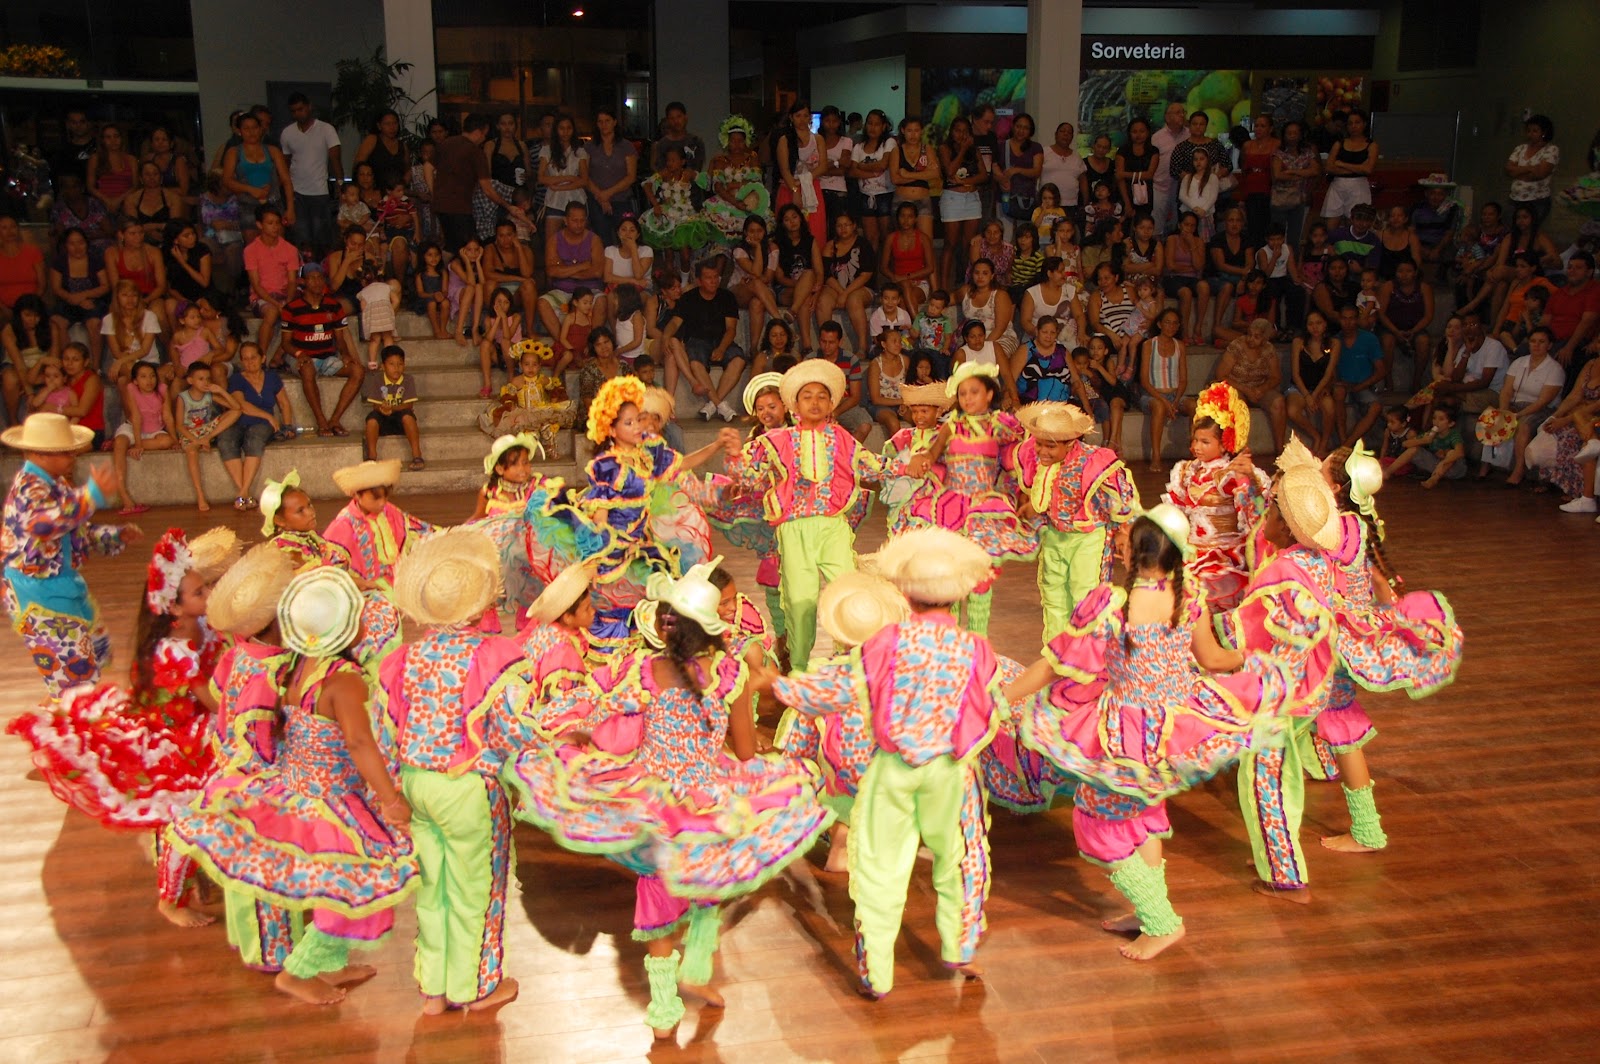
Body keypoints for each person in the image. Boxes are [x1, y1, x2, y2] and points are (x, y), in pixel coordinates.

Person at [510, 557, 830, 1039]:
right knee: (707, 880)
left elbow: (599, 710)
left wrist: (577, 734)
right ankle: (693, 972)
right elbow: (746, 753)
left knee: (660, 898)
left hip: (654, 800)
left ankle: (666, 1006)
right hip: (707, 798)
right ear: (713, 631)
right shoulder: (730, 676)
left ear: (666, 627)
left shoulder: (647, 670)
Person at [1007, 509, 1291, 959]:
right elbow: (1214, 660)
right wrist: (1253, 659)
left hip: (1127, 734)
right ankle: (1147, 912)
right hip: (1172, 727)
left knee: (1096, 825)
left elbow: (1054, 666)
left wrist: (1000, 695)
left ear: (1131, 553)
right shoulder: (1189, 596)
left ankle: (1161, 921)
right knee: (1143, 818)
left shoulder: (1112, 605)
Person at [170, 566, 420, 1006]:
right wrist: (390, 798)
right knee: (357, 889)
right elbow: (360, 743)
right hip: (332, 800)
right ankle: (298, 972)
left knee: (333, 888)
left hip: (299, 789)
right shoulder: (344, 681)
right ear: (347, 628)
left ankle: (329, 964)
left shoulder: (301, 664)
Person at [769, 527, 1000, 995]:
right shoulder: (975, 649)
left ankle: (877, 971)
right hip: (950, 772)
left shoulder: (886, 643)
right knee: (959, 858)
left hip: (893, 770)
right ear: (957, 598)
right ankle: (961, 946)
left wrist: (777, 685)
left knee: (879, 868)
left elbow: (835, 693)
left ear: (905, 595)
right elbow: (988, 708)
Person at [6, 527, 238, 926]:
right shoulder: (175, 650)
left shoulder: (203, 625)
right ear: (175, 608)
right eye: (199, 592)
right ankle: (171, 900)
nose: (208, 595)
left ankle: (196, 870)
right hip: (178, 736)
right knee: (186, 811)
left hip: (197, 722)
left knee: (201, 804)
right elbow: (213, 701)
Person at [376, 530, 536, 1015]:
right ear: (478, 605)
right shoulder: (489, 656)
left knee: (433, 889)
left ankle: (433, 988)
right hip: (467, 787)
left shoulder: (405, 657)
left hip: (415, 783)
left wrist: (391, 790)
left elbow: (386, 729)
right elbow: (511, 730)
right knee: (476, 888)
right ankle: (477, 987)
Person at [718, 360, 884, 670]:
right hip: (794, 531)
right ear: (795, 404)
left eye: (822, 396)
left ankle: (848, 662)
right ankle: (798, 667)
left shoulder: (842, 439)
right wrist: (734, 454)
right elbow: (748, 477)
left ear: (831, 404)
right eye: (807, 396)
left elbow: (875, 466)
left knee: (847, 593)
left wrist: (912, 465)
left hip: (833, 527)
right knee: (800, 602)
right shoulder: (775, 442)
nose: (815, 402)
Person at [1, 411, 134, 695]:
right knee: (73, 677)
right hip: (36, 591)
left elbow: (73, 530)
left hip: (59, 584)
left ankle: (84, 710)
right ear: (41, 454)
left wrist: (113, 535)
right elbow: (43, 524)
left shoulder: (56, 483)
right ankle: (75, 714)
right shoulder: (28, 488)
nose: (73, 457)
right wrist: (89, 496)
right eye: (66, 452)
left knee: (91, 655)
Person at [901, 362, 1036, 633]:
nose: (967, 398)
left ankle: (978, 640)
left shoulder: (999, 425)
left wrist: (1027, 492)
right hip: (950, 506)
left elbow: (1018, 456)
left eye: (974, 392)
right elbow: (933, 454)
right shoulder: (952, 425)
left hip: (984, 509)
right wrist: (919, 458)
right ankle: (951, 636)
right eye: (962, 393)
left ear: (989, 394)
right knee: (950, 575)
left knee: (980, 577)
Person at [1013, 402, 1139, 639]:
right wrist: (1033, 508)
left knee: (1085, 597)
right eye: (1039, 443)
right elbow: (1046, 494)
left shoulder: (1093, 462)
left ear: (1070, 443)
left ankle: (1086, 653)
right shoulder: (1040, 460)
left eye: (1050, 446)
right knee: (1054, 596)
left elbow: (1122, 502)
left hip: (1087, 539)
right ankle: (1056, 651)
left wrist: (1125, 531)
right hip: (1055, 535)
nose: (1042, 451)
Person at [1161, 384, 1271, 610]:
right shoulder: (1185, 471)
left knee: (1204, 593)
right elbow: (1175, 513)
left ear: (1224, 444)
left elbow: (1257, 515)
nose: (1197, 447)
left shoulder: (1231, 474)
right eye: (1195, 440)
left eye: (1205, 442)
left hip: (1223, 555)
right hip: (1191, 550)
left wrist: (1248, 481)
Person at [281, 262, 365, 436]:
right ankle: (321, 421)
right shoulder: (291, 308)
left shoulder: (334, 306)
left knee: (358, 370)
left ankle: (334, 420)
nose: (317, 282)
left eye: (320, 278)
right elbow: (286, 343)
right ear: (303, 282)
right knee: (307, 368)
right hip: (300, 356)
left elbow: (340, 339)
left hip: (326, 357)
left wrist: (345, 354)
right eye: (312, 278)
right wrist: (299, 354)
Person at [1476, 326, 1564, 483]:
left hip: (1541, 409)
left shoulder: (1554, 369)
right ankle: (1486, 465)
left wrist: (1517, 415)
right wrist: (1504, 410)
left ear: (1549, 345)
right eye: (1533, 341)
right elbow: (1506, 390)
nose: (1536, 345)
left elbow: (1543, 401)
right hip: (1516, 404)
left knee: (1524, 425)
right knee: (1493, 418)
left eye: (1541, 342)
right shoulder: (1519, 362)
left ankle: (1519, 470)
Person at [663, 259, 745, 421]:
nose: (713, 281)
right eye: (708, 278)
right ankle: (720, 405)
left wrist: (722, 348)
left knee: (739, 359)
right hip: (697, 340)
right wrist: (666, 336)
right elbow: (674, 323)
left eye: (715, 277)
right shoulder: (688, 298)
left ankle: (713, 405)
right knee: (695, 362)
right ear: (699, 281)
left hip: (722, 340)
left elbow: (731, 329)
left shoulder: (727, 297)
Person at [436, 114, 527, 252]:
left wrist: (434, 192)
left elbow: (428, 167)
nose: (484, 138)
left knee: (451, 246)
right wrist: (508, 206)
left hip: (441, 204)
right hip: (461, 207)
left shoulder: (446, 143)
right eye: (485, 134)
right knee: (468, 247)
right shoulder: (475, 152)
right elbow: (487, 189)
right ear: (479, 132)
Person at [278, 93, 343, 254]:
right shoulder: (287, 133)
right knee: (301, 235)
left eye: (300, 109)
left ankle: (320, 266)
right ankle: (304, 266)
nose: (298, 114)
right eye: (293, 111)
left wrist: (340, 183)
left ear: (309, 107)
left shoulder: (326, 129)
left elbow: (335, 158)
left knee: (321, 236)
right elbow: (285, 162)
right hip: (296, 191)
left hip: (319, 190)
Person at [1531, 359, 1600, 510]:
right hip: (1580, 415)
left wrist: (1565, 420)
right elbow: (1574, 396)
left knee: (1571, 436)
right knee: (1555, 431)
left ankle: (1580, 491)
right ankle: (1557, 483)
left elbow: (1596, 406)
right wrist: (1555, 417)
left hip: (1593, 416)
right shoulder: (1591, 364)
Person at [222, 114, 294, 240]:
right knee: (252, 246)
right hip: (248, 205)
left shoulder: (273, 151)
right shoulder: (234, 152)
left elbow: (286, 180)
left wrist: (290, 208)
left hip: (273, 203)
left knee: (278, 245)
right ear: (239, 131)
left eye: (255, 128)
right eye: (246, 128)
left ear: (261, 129)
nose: (251, 132)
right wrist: (250, 189)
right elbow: (227, 180)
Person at [241, 206, 298, 362]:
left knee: (301, 314)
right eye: (270, 223)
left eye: (277, 223)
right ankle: (262, 357)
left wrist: (288, 302)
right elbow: (256, 284)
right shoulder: (251, 250)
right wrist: (277, 304)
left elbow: (292, 281)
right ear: (260, 225)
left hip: (285, 295)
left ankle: (278, 357)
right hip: (262, 297)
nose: (275, 227)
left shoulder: (290, 249)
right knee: (272, 312)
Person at [1140, 308, 1193, 472]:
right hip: (1152, 395)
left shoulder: (1180, 346)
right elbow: (1144, 380)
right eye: (1167, 322)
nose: (1171, 326)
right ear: (1159, 324)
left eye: (1175, 323)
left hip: (1174, 395)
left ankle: (1195, 454)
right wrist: (1164, 400)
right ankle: (1156, 456)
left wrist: (1175, 401)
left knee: (1195, 406)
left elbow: (1183, 379)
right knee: (1159, 406)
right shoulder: (1149, 345)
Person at [939, 116, 989, 288]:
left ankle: (967, 283)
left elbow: (984, 175)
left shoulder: (974, 150)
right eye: (957, 131)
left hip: (972, 198)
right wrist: (962, 150)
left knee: (969, 244)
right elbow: (950, 171)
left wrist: (965, 182)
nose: (961, 135)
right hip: (952, 198)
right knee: (950, 244)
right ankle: (943, 287)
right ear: (951, 132)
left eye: (965, 131)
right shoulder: (944, 148)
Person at [818, 212, 878, 353]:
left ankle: (862, 346)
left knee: (853, 300)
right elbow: (827, 275)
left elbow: (866, 275)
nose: (843, 228)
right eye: (839, 225)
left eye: (847, 225)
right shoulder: (830, 246)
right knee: (823, 301)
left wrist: (845, 294)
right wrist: (841, 292)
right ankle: (827, 345)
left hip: (861, 287)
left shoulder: (863, 244)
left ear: (854, 226)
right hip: (836, 287)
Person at [1286, 308, 1341, 454]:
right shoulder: (1299, 342)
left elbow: (1329, 373)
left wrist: (1315, 394)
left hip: (1320, 387)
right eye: (1311, 324)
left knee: (1329, 407)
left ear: (1325, 324)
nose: (1315, 327)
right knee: (1292, 411)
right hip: (1299, 387)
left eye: (1318, 323)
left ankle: (1324, 443)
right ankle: (1316, 435)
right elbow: (1295, 374)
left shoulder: (1334, 343)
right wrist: (1307, 396)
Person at [1332, 304, 1388, 449]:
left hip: (1364, 385)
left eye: (1351, 319)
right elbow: (1331, 368)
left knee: (1376, 406)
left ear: (1357, 319)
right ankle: (1343, 439)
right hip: (1343, 385)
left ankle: (1347, 444)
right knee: (1338, 392)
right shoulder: (1335, 340)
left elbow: (1381, 371)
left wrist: (1361, 386)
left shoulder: (1369, 339)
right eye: (1344, 319)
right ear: (1339, 320)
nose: (1348, 323)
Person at [361, 345, 423, 469]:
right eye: (392, 364)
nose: (396, 368)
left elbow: (409, 405)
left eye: (400, 364)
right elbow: (375, 405)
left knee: (409, 417)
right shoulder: (378, 380)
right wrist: (382, 409)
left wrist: (391, 409)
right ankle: (371, 456)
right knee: (371, 420)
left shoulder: (408, 380)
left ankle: (417, 455)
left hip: (401, 418)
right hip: (383, 417)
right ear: (383, 366)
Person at [1378, 260, 1436, 392]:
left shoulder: (1424, 288)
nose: (1404, 275)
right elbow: (1381, 314)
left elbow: (1428, 315)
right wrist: (1396, 331)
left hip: (1416, 328)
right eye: (1400, 271)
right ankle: (1388, 380)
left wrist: (1414, 331)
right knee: (1387, 341)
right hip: (1390, 328)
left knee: (1423, 341)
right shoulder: (1388, 287)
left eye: (1408, 271)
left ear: (1415, 272)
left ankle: (1417, 381)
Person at [1386, 401, 1466, 487]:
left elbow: (1460, 452)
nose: (1436, 422)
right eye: (1434, 418)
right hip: (1435, 466)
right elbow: (1405, 444)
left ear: (1451, 423)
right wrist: (1424, 440)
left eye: (1441, 419)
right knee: (1414, 449)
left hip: (1454, 469)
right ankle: (1387, 472)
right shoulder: (1430, 433)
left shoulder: (1453, 434)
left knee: (1451, 453)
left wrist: (1443, 462)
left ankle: (1434, 479)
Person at [850, 109, 898, 252]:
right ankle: (872, 265)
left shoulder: (888, 142)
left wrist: (862, 166)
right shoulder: (859, 146)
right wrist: (872, 173)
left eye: (877, 124)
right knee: (870, 237)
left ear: (884, 126)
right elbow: (852, 171)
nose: (872, 127)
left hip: (885, 194)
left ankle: (887, 263)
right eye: (870, 123)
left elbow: (883, 164)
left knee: (886, 235)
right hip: (865, 194)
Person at [889, 116, 942, 245]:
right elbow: (895, 178)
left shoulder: (927, 149)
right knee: (901, 242)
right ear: (903, 131)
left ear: (922, 131)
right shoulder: (897, 151)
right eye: (909, 131)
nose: (913, 135)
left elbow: (935, 173)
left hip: (922, 199)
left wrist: (907, 174)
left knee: (927, 241)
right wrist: (923, 174)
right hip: (902, 199)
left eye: (916, 130)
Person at [1544, 251, 1600, 369]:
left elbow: (1587, 322)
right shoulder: (1558, 293)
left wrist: (1569, 347)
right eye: (1569, 267)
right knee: (1525, 350)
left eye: (1578, 268)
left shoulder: (1595, 290)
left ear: (1589, 272)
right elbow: (1545, 321)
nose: (1572, 271)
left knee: (1556, 358)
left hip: (1575, 342)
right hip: (1551, 340)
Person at [1320, 111, 1377, 225]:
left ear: (1364, 124)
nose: (1353, 126)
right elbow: (1329, 167)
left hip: (1359, 186)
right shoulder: (1339, 143)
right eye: (1350, 123)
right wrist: (1358, 168)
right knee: (1331, 224)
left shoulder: (1372, 145)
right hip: (1338, 184)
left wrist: (1342, 164)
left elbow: (1368, 169)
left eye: (1357, 122)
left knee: (1356, 223)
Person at [1270, 120, 1319, 247]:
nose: (1292, 136)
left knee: (1295, 236)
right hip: (1281, 198)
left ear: (1300, 135)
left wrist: (1292, 171)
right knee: (1278, 234)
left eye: (1295, 133)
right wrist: (1303, 174)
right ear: (1284, 135)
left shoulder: (1307, 152)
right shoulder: (1278, 153)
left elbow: (1315, 171)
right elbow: (1277, 175)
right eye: (1289, 133)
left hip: (1299, 198)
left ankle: (1293, 258)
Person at [1505, 114, 1560, 225]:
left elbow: (1540, 173)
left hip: (1537, 200)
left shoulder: (1551, 149)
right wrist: (1530, 168)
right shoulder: (1520, 148)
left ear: (1544, 132)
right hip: (1515, 198)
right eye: (1528, 131)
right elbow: (1509, 169)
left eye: (1535, 131)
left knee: (1531, 230)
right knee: (1513, 229)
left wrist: (1518, 171)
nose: (1530, 134)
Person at [1150, 102, 1190, 236]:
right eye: (1178, 113)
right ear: (1167, 117)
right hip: (1160, 186)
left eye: (1183, 112)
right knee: (1157, 225)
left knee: (1177, 225)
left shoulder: (1189, 134)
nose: (1182, 115)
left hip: (1182, 188)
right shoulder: (1157, 137)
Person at [122, 162, 184, 244]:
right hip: (139, 241)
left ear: (161, 178)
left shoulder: (173, 198)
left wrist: (152, 226)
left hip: (167, 239)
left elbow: (175, 226)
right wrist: (152, 231)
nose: (151, 177)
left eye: (155, 174)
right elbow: (132, 227)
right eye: (147, 174)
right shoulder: (131, 199)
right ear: (141, 178)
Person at [87, 124, 137, 213]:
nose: (113, 140)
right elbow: (90, 186)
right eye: (108, 137)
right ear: (102, 140)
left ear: (121, 138)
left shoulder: (131, 159)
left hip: (126, 202)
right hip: (102, 202)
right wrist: (107, 200)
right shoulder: (95, 158)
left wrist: (118, 200)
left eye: (116, 136)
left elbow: (135, 185)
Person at [650, 100, 708, 171]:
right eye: (672, 118)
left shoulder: (696, 141)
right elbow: (660, 169)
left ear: (686, 118)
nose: (676, 121)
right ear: (667, 121)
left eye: (679, 117)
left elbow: (697, 168)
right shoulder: (662, 144)